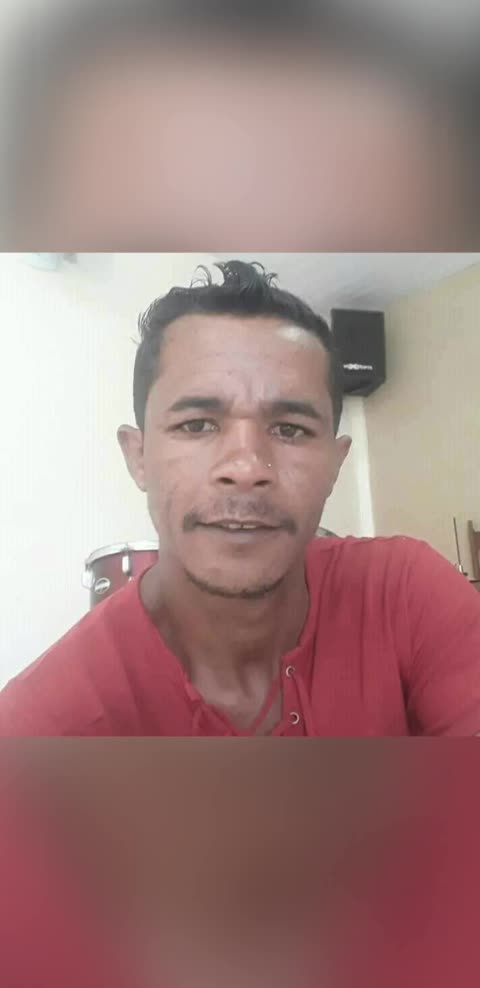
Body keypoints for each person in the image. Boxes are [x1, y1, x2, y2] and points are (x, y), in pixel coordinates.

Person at [1, 259, 480, 737]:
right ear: (138, 456)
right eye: (197, 425)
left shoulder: (404, 596)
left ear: (336, 465)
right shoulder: (43, 724)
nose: (247, 468)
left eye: (289, 429)